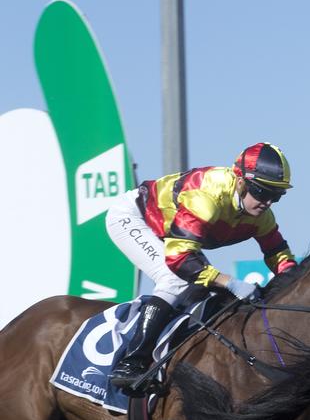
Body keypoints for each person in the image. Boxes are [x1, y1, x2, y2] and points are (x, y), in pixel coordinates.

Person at [105, 142, 296, 393]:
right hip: (135, 218)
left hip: (174, 235)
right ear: (240, 181)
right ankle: (132, 362)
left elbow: (278, 253)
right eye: (261, 192)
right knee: (175, 280)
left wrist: (294, 280)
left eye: (276, 195)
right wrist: (230, 281)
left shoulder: (262, 216)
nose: (267, 202)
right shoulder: (206, 197)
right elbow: (180, 259)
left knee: (206, 293)